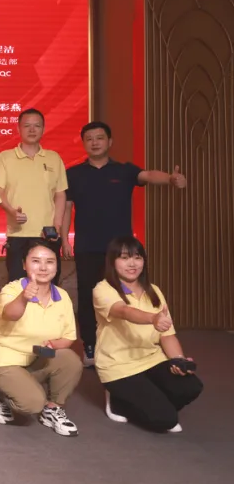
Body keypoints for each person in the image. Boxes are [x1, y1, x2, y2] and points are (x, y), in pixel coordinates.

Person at [62, 121, 187, 367]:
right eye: (89, 139)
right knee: (88, 297)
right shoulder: (73, 174)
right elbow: (66, 208)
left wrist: (170, 179)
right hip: (87, 246)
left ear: (110, 142)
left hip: (121, 251)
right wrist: (65, 238)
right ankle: (90, 345)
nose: (95, 142)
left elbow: (148, 175)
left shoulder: (124, 170)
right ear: (84, 143)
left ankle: (125, 344)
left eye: (100, 138)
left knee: (124, 297)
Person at [94, 236, 202, 432]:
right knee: (166, 420)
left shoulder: (154, 291)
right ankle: (118, 401)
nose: (132, 263)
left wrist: (179, 361)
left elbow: (167, 335)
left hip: (152, 359)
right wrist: (152, 318)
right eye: (124, 258)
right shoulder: (103, 289)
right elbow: (123, 311)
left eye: (137, 257)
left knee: (191, 386)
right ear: (112, 262)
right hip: (119, 366)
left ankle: (150, 400)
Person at [0, 244, 82, 437]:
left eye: (50, 262)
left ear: (56, 266)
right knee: (33, 403)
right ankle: (0, 394)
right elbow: (10, 314)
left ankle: (53, 408)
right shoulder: (12, 289)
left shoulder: (62, 296)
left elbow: (68, 337)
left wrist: (52, 345)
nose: (43, 267)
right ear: (24, 265)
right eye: (36, 261)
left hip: (33, 358)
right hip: (2, 359)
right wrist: (24, 298)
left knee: (69, 359)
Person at [0, 108, 67, 283]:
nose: (32, 130)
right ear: (18, 128)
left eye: (37, 126)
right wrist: (11, 211)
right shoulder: (6, 157)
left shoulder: (54, 158)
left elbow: (60, 194)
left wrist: (57, 224)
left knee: (49, 286)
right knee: (18, 286)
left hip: (47, 235)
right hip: (18, 235)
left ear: (43, 128)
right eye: (27, 126)